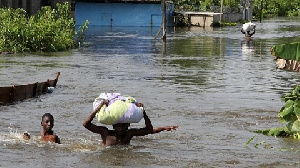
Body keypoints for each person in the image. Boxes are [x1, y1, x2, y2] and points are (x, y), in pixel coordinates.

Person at [83, 100, 178, 147]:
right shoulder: (105, 133)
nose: (120, 127)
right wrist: (99, 107)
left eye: (123, 125)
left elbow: (149, 130)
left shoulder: (129, 134)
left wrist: (143, 112)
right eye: (118, 125)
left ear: (128, 125)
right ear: (113, 125)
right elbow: (86, 124)